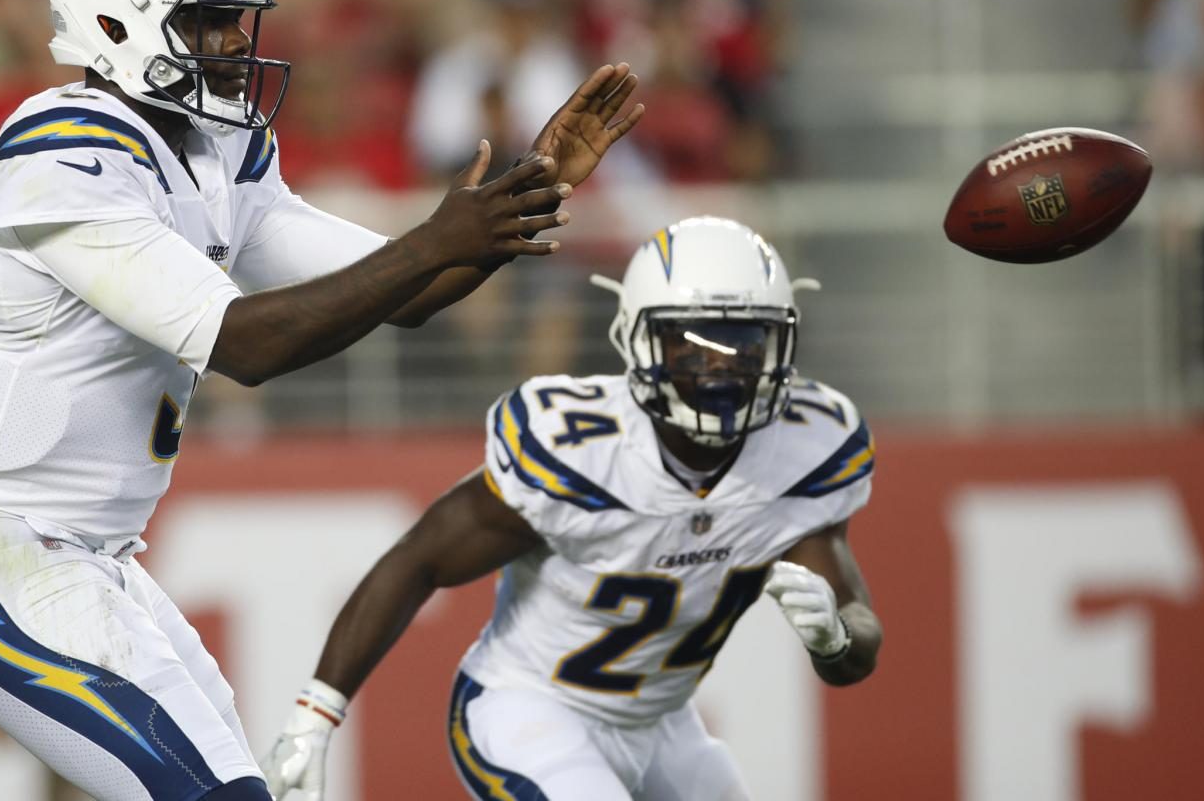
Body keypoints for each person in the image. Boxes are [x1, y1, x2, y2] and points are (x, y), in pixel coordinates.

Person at [0, 0, 643, 801]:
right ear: (118, 23)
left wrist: (529, 191)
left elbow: (404, 291)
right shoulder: (61, 150)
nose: (236, 47)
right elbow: (246, 344)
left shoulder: (214, 149)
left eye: (237, 21)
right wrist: (437, 237)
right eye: (207, 22)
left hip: (90, 554)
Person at [262, 217, 883, 801]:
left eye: (743, 344)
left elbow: (856, 646)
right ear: (639, 341)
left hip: (664, 723)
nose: (718, 367)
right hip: (530, 707)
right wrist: (315, 716)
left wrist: (835, 637)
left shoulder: (810, 449)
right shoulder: (581, 451)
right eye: (690, 344)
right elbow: (418, 562)